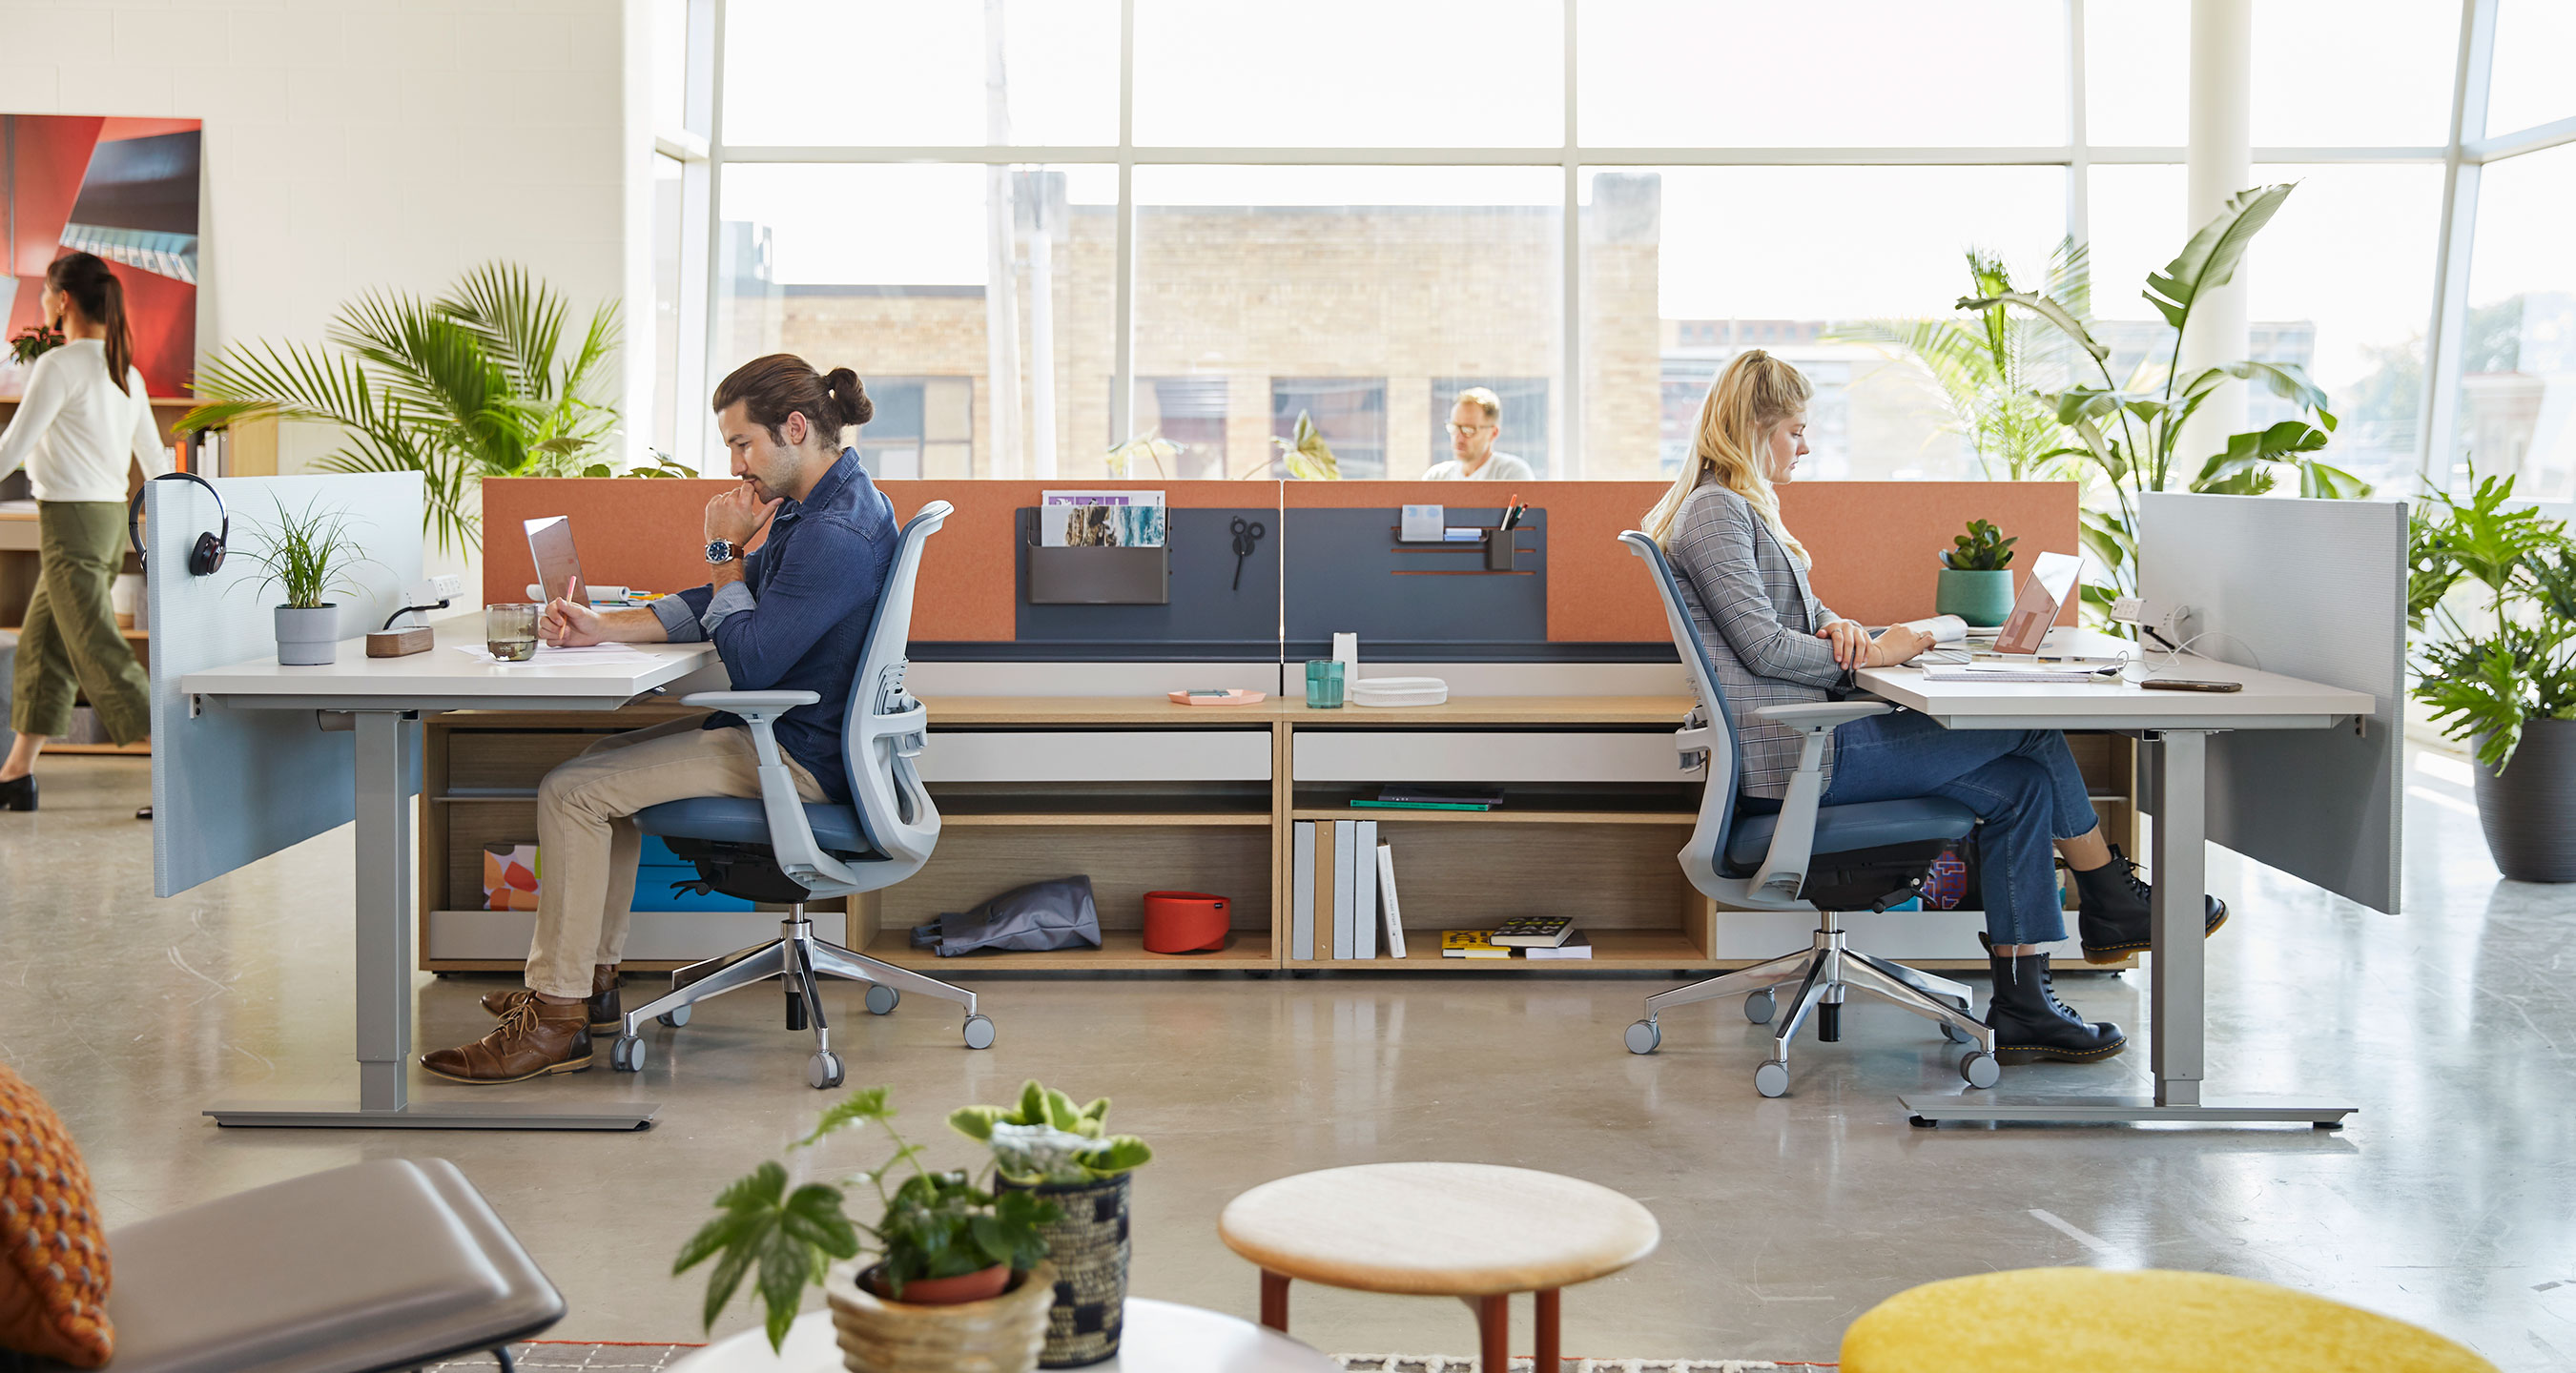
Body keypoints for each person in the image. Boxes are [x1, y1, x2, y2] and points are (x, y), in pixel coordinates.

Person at [1641, 350, 2224, 1064]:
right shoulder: (1715, 513)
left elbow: (1801, 618)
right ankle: (2110, 897)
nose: (1805, 444)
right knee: (2030, 729)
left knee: (2022, 783)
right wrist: (1879, 654)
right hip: (1796, 756)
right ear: (1753, 427)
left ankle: (2024, 1003)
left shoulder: (1738, 513)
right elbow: (1763, 649)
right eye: (1795, 429)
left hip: (1806, 744)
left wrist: (1854, 631)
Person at [422, 354, 894, 1084]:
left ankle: (555, 1021)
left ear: (795, 428)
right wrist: (602, 627)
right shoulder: (829, 504)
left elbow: (755, 660)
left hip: (798, 756)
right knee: (591, 779)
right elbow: (720, 608)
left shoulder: (832, 533)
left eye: (742, 443)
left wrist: (722, 551)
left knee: (572, 792)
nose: (734, 462)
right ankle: (588, 987)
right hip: (795, 736)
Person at [0, 254, 168, 816]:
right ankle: (16, 775)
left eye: (46, 294)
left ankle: (186, 774)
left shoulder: (59, 365)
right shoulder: (127, 371)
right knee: (43, 645)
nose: (42, 304)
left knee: (98, 649)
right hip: (103, 522)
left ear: (62, 300)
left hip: (69, 523)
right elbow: (154, 460)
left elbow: (11, 450)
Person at [1424, 387, 1535, 482]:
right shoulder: (1436, 477)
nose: (1458, 437)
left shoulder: (1512, 474)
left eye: (1468, 430)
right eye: (1454, 427)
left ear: (1493, 433)